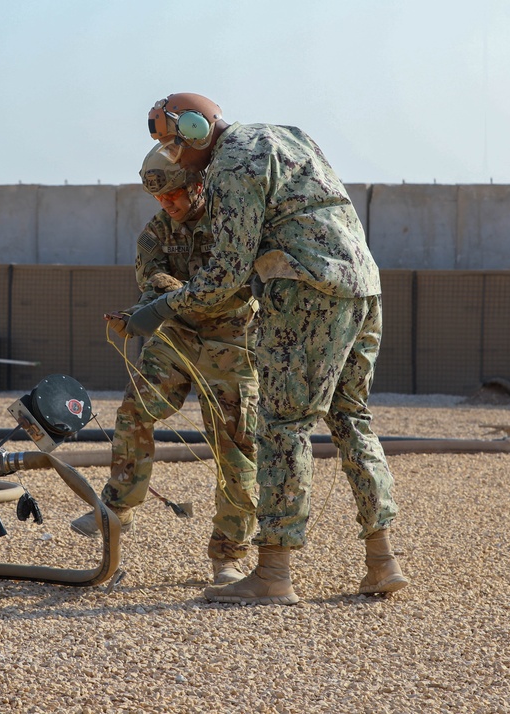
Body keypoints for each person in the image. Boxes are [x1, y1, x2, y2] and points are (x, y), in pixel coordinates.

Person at [127, 92, 409, 605]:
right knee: (350, 416)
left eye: (174, 149)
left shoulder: (232, 164)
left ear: (195, 130)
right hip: (363, 287)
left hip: (306, 293)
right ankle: (382, 560)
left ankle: (274, 573)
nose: (176, 162)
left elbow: (227, 272)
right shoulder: (286, 136)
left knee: (282, 425)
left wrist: (164, 306)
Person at [70, 143, 260, 587]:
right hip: (177, 336)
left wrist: (172, 295)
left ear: (197, 186)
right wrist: (135, 315)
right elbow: (153, 288)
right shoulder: (154, 236)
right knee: (134, 412)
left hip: (232, 345)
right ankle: (117, 510)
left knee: (236, 447)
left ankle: (228, 556)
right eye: (158, 198)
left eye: (173, 195)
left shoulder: (232, 224)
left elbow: (235, 286)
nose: (166, 205)